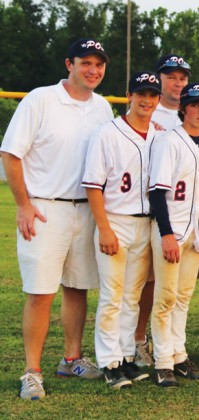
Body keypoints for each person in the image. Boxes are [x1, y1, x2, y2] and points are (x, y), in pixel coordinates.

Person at [2, 38, 112, 400]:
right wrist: (23, 204)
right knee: (41, 292)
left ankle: (71, 358)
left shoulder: (103, 109)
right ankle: (32, 371)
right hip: (45, 207)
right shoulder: (41, 98)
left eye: (99, 65)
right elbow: (11, 153)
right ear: (69, 64)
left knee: (78, 287)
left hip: (86, 208)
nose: (93, 70)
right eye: (86, 63)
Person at [82, 71, 161, 389]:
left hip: (145, 223)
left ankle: (126, 356)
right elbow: (93, 186)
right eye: (141, 93)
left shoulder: (160, 135)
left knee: (132, 296)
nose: (146, 100)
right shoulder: (108, 133)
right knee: (113, 296)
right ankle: (108, 361)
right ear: (129, 95)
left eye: (152, 94)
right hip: (115, 220)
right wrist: (104, 229)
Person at [148, 82, 199, 387]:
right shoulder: (169, 141)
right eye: (194, 105)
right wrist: (166, 234)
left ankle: (178, 356)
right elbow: (157, 192)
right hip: (172, 232)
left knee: (183, 298)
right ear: (183, 109)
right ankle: (163, 362)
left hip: (194, 232)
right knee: (165, 299)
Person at [131, 54, 195, 368]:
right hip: (141, 209)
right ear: (159, 80)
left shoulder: (193, 112)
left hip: (178, 215)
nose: (178, 82)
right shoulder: (147, 109)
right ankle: (138, 341)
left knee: (170, 286)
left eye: (182, 77)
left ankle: (166, 346)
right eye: (171, 76)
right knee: (142, 282)